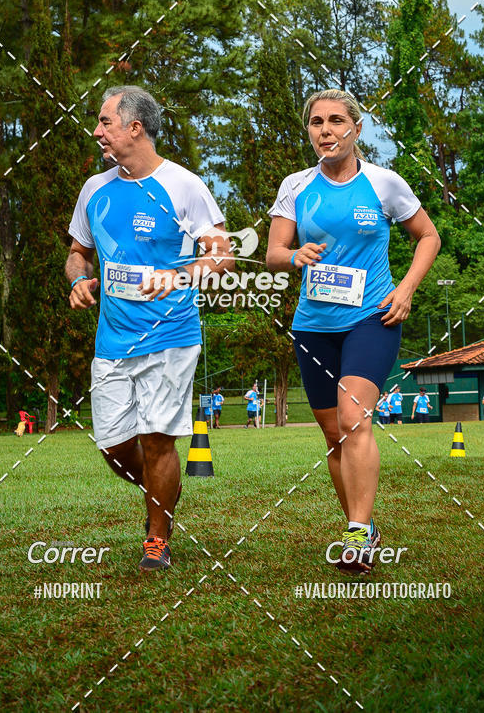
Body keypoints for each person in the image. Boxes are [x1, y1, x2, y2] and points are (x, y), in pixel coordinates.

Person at [266, 88, 440, 573]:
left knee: (353, 418)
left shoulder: (384, 183)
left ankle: (358, 534)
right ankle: (360, 526)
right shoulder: (296, 186)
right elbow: (273, 253)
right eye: (317, 122)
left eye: (337, 120)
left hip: (372, 316)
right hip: (313, 323)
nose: (326, 130)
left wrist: (405, 289)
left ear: (356, 129)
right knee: (332, 434)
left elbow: (428, 236)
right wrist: (294, 255)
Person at [66, 86, 230, 572]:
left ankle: (157, 537)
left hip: (171, 336)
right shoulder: (94, 189)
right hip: (112, 341)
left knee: (158, 439)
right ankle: (160, 495)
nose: (97, 131)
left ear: (134, 127)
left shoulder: (184, 186)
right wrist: (78, 279)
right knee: (115, 449)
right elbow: (78, 251)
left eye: (104, 122)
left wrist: (178, 276)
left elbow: (221, 256)